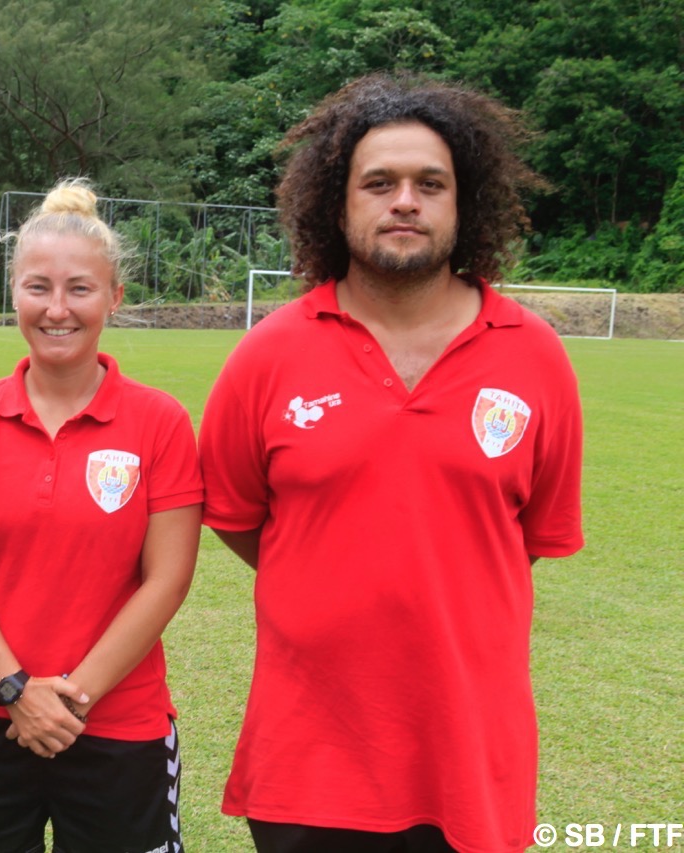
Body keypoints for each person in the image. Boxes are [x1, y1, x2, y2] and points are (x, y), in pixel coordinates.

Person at [198, 73, 585, 853]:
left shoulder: (536, 358)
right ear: (337, 205)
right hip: (309, 762)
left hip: (470, 761)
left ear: (461, 202)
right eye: (379, 182)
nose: (403, 200)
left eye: (429, 184)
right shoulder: (268, 355)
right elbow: (239, 518)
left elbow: (530, 537)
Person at [0, 178, 203, 852]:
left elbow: (167, 578)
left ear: (114, 297)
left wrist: (70, 699)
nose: (57, 309)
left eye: (80, 288)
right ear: (13, 292)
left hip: (117, 723)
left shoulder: (159, 421)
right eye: (38, 287)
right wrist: (14, 688)